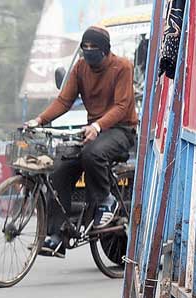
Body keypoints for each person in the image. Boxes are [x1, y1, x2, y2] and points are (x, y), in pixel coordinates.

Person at [26, 26, 138, 258]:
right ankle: (57, 235)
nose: (88, 52)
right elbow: (64, 101)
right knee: (60, 167)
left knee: (92, 154)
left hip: (120, 130)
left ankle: (106, 201)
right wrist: (39, 119)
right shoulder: (80, 68)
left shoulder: (122, 67)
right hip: (92, 131)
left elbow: (121, 106)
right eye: (84, 48)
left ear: (106, 50)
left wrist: (97, 126)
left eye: (93, 48)